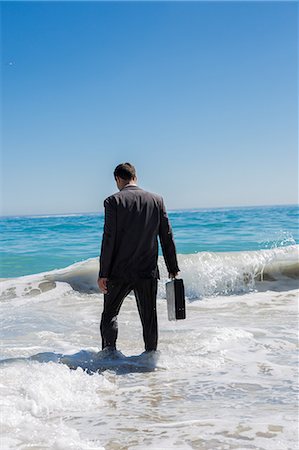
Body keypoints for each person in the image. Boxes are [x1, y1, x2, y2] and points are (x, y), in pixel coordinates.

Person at [97, 162, 179, 352]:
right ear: (135, 177)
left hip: (119, 271)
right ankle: (150, 359)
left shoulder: (113, 201)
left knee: (110, 315)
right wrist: (172, 267)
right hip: (147, 271)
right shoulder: (156, 200)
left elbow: (109, 239)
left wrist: (103, 273)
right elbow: (166, 236)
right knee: (149, 318)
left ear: (118, 179)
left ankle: (110, 357)